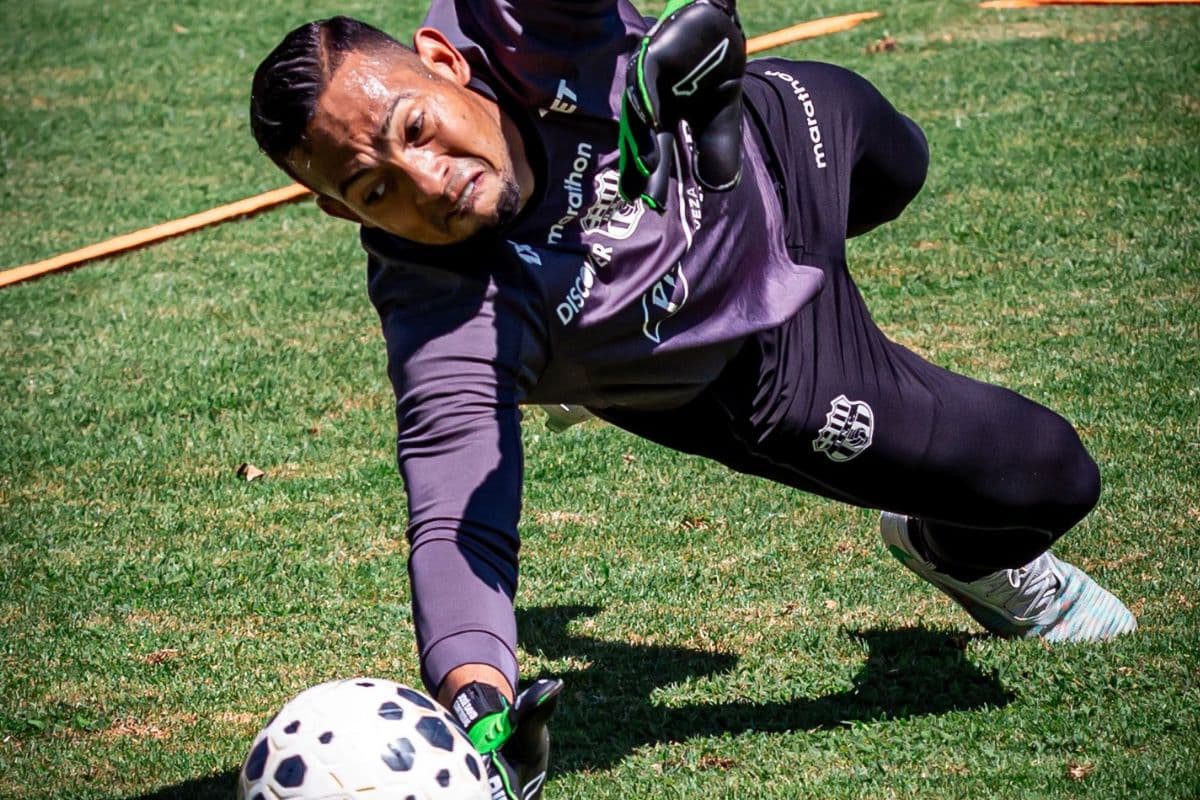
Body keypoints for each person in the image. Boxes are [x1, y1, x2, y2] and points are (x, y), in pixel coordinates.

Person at [249, 2, 1136, 797]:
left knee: (904, 159)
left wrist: (710, 18)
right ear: (345, 215)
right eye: (374, 190)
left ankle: (597, 350)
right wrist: (479, 697)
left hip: (772, 138)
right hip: (758, 367)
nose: (429, 181)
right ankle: (956, 548)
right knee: (1054, 476)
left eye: (416, 128)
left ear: (443, 60)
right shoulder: (447, 317)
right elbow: (456, 525)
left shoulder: (517, 24)